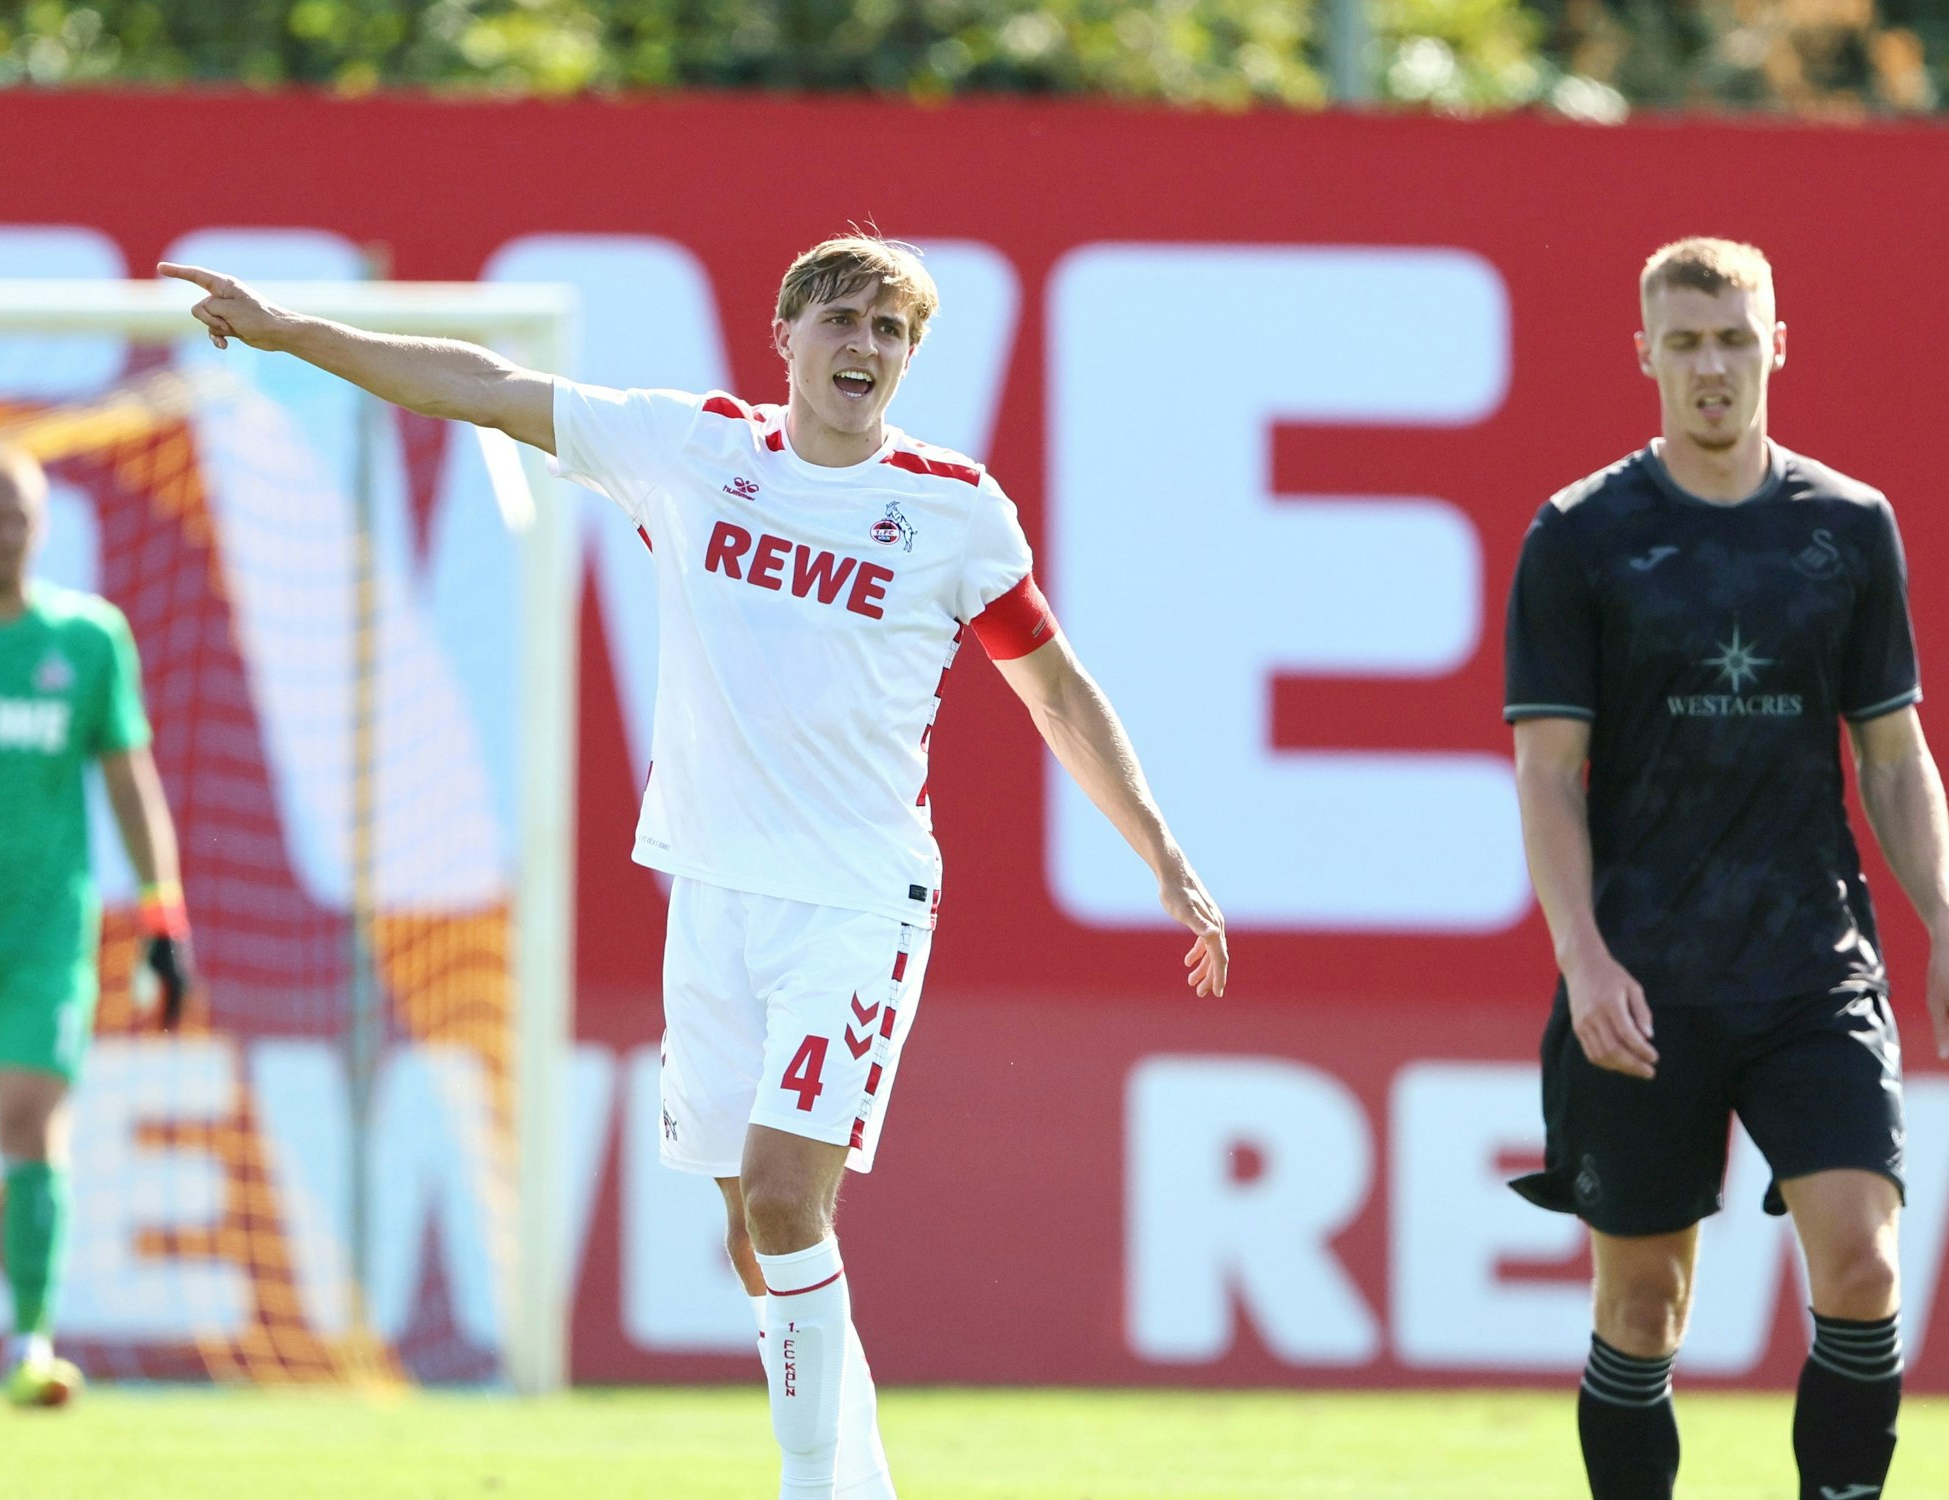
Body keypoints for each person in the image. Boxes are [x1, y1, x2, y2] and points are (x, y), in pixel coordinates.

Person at [161, 236, 1227, 1498]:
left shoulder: (952, 508)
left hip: (856, 900)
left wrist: (1159, 850)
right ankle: (860, 1480)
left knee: (784, 1197)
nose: (865, 349)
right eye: (842, 319)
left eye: (892, 333)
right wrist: (294, 335)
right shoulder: (695, 451)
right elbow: (483, 387)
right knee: (751, 1228)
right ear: (785, 334)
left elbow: (1052, 692)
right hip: (712, 892)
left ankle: (810, 1488)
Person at [1505, 236, 1949, 1500]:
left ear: (1776, 347)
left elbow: (1891, 756)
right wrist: (1583, 962)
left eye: (1734, 338)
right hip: (1644, 983)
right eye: (1686, 340)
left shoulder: (1849, 528)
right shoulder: (1580, 537)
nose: (1712, 366)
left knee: (1861, 1267)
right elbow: (1546, 774)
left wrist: (1943, 921)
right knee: (1642, 1309)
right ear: (1642, 351)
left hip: (1813, 967)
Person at [0, 451, 191, 1411]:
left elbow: (131, 780)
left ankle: (31, 1340)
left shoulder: (89, 641)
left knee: (29, 1123)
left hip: (46, 934)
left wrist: (162, 910)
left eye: (24, 516)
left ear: (43, 527)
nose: (8, 532)